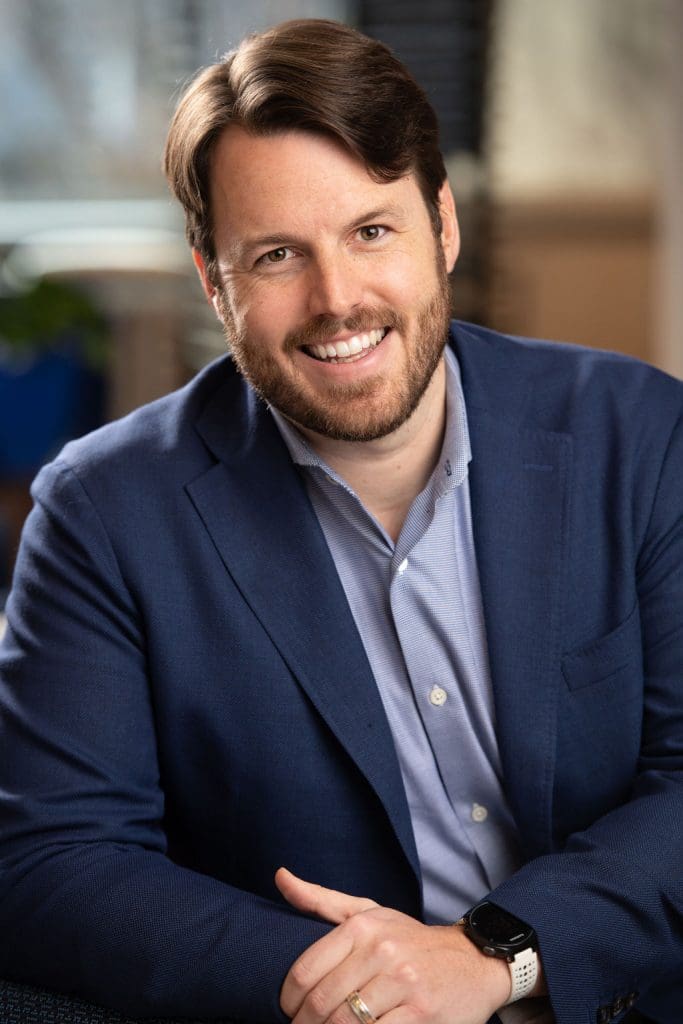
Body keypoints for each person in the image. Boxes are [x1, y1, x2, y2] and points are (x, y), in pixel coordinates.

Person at [0, 17, 681, 1024]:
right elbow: (53, 858)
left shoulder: (641, 435)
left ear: (441, 226)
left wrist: (490, 958)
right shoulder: (103, 512)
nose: (336, 300)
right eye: (277, 254)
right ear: (213, 280)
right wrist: (363, 987)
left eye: (371, 231)